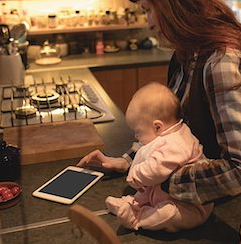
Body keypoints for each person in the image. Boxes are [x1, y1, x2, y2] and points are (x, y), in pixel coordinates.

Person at [79, 0, 241, 206]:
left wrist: (162, 180)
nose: (149, 23)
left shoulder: (222, 63)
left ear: (173, 5)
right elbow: (172, 130)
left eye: (148, 9)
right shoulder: (186, 54)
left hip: (237, 208)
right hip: (204, 203)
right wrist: (129, 161)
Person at [82, 82, 213, 232]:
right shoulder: (166, 133)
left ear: (157, 127)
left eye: (138, 132)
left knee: (167, 214)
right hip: (170, 192)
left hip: (190, 205)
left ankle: (137, 218)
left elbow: (156, 170)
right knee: (150, 190)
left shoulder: (176, 143)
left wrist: (135, 175)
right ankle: (132, 204)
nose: (137, 137)